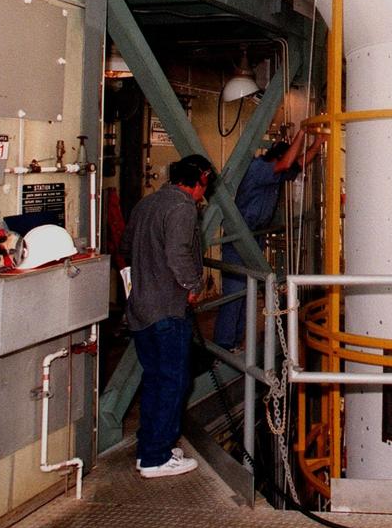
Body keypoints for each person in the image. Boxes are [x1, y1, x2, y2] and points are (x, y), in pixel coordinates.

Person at [120, 154, 212, 478]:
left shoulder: (147, 204)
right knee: (173, 380)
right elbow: (177, 253)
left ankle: (151, 446)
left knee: (156, 379)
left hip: (141, 308)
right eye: (206, 184)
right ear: (200, 178)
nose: (205, 192)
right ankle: (156, 457)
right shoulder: (183, 207)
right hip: (167, 311)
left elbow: (127, 245)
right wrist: (194, 284)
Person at [212, 130, 325, 349]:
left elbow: (298, 163)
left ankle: (235, 343)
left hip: (255, 236)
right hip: (238, 238)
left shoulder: (274, 172)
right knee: (235, 293)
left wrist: (319, 142)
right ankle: (223, 346)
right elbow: (287, 164)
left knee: (247, 294)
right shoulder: (256, 169)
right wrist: (301, 133)